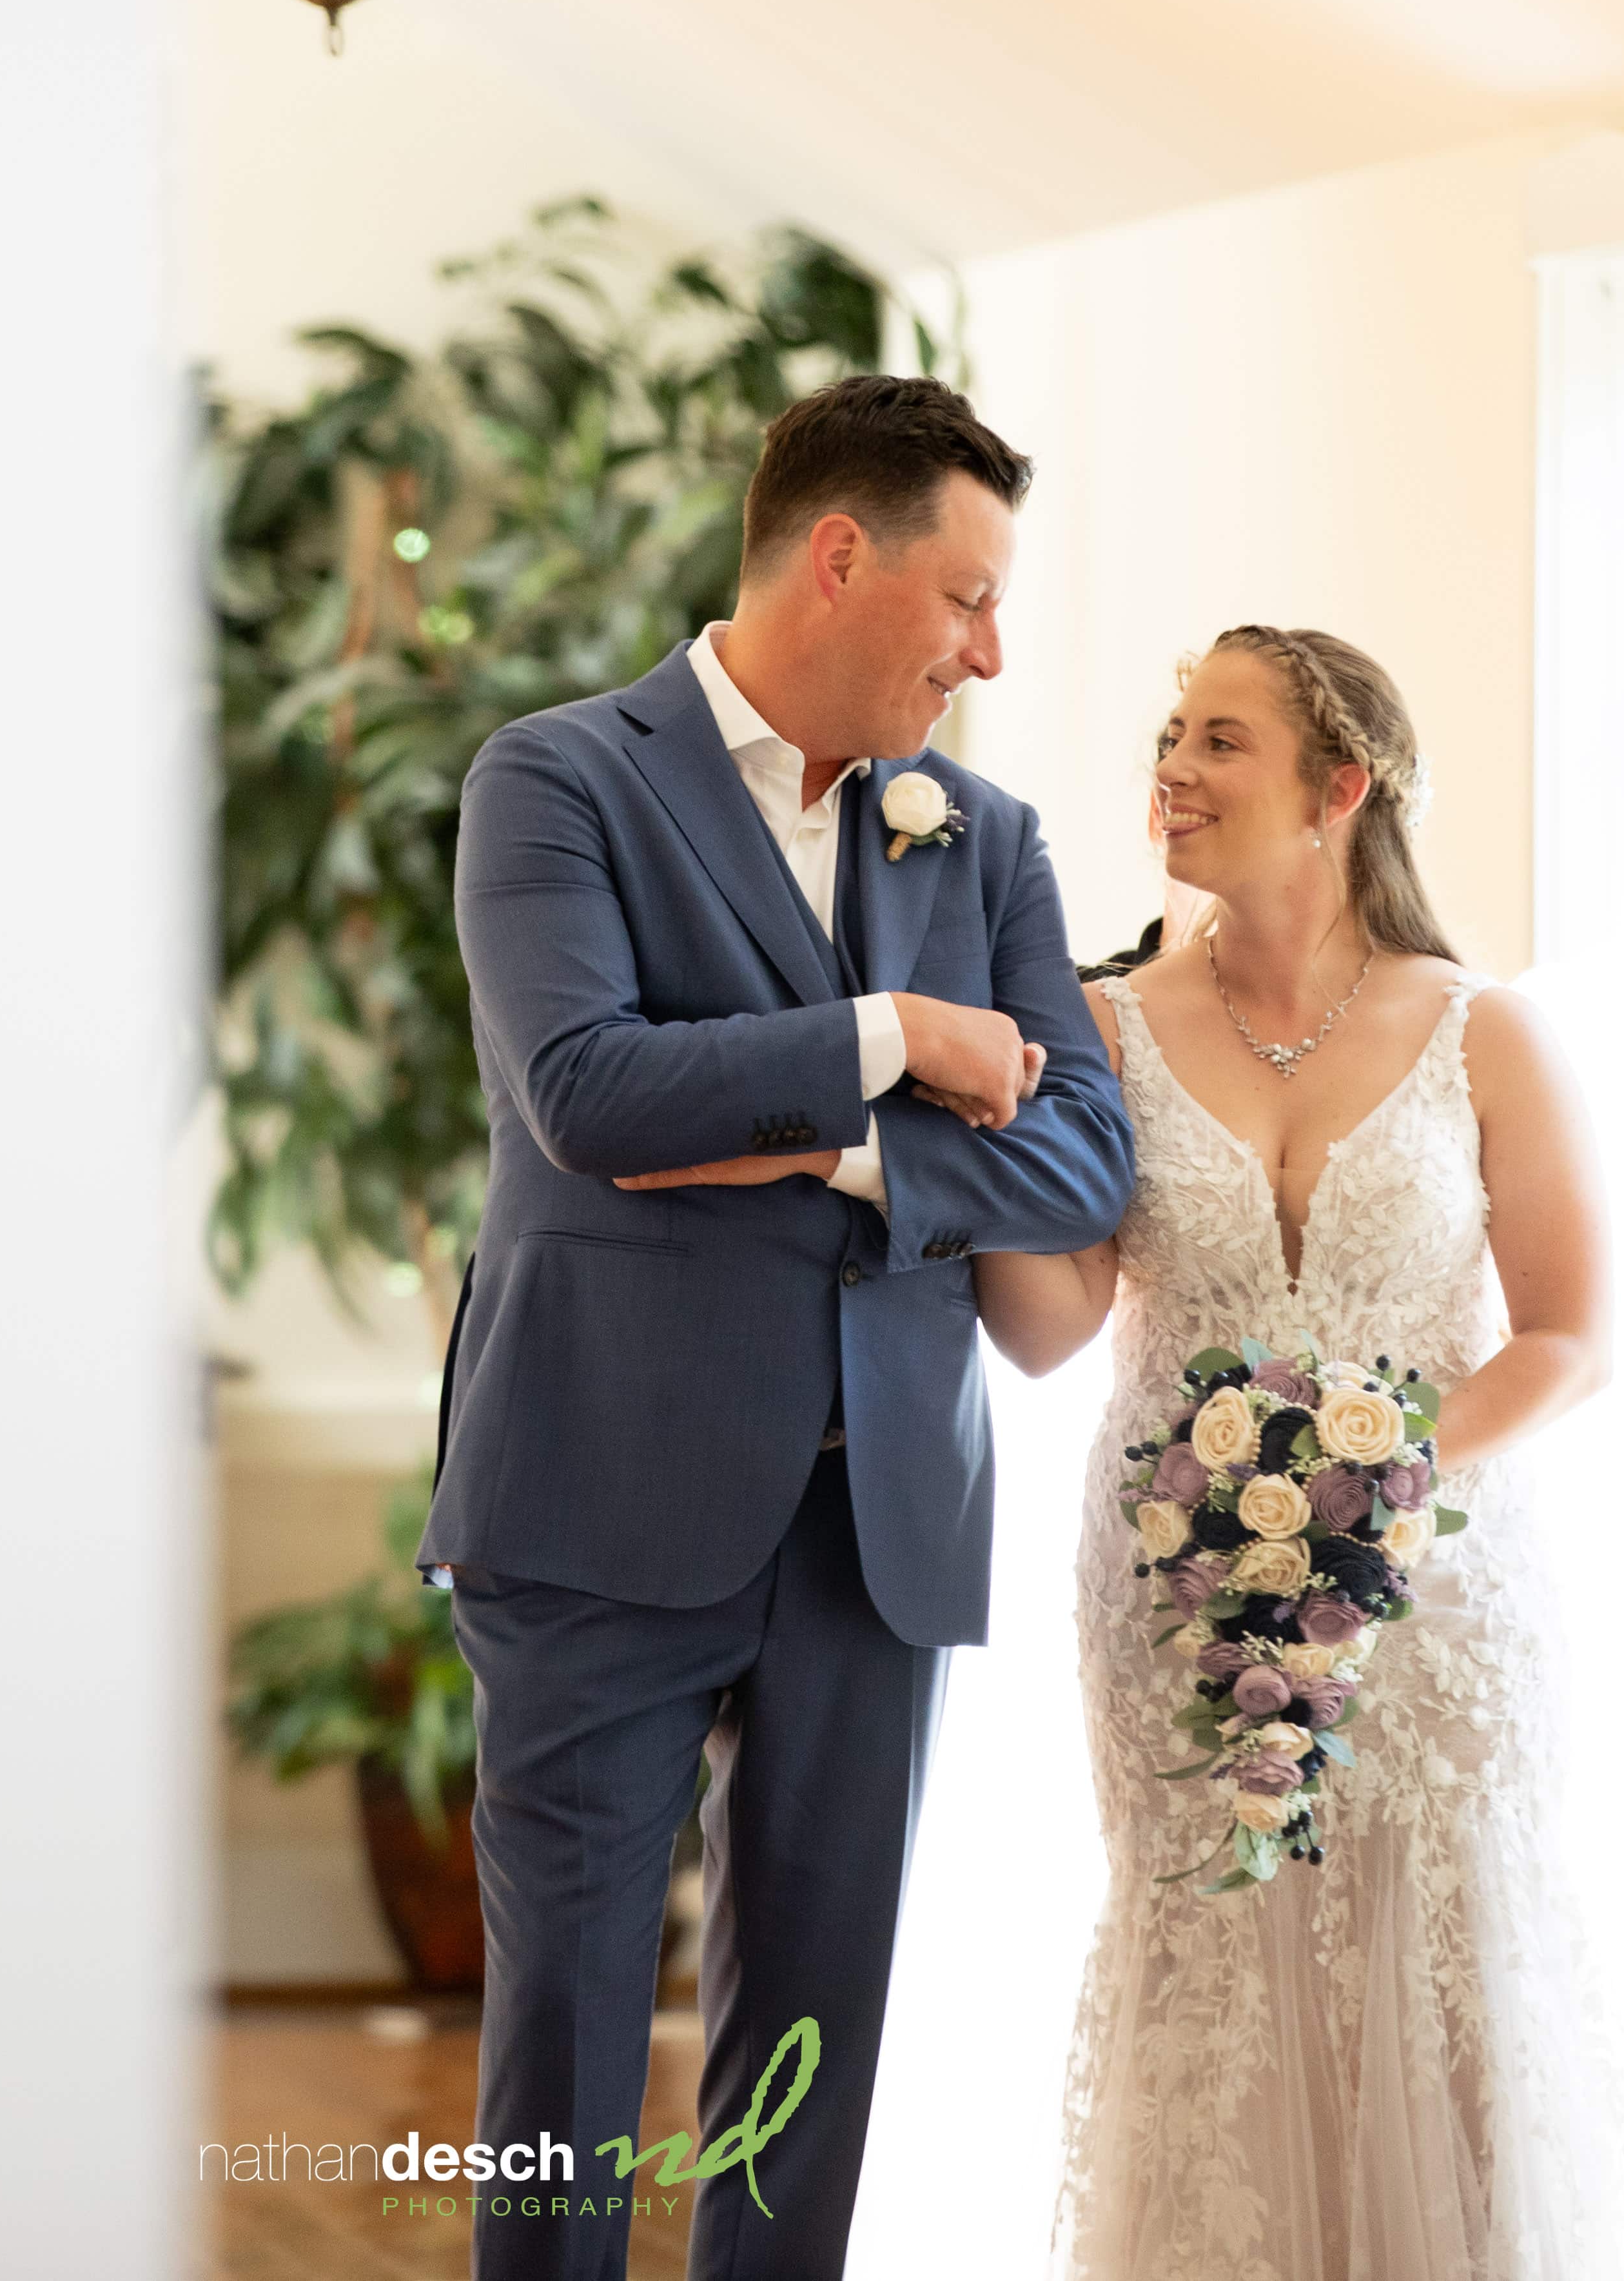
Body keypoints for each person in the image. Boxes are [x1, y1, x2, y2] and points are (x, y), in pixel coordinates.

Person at [423, 373, 1137, 2281]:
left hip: (875, 1521)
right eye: (966, 598)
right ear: (840, 556)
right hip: (594, 1495)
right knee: (567, 2048)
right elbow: (589, 1092)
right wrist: (906, 1046)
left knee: (810, 2060)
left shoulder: (979, 836)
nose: (991, 650)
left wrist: (826, 1155)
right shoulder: (554, 779)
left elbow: (1076, 1157)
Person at [966, 625, 1624, 2278]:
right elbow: (1045, 1326)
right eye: (1167, 732)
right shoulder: (1098, 1029)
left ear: (1340, 785)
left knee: (1448, 1955)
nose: (1169, 765)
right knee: (1219, 1970)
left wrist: (1364, 1480)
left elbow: (1568, 1335)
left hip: (1439, 1598)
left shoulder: (1485, 1033)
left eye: (1219, 738)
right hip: (1175, 1592)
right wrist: (970, 1155)